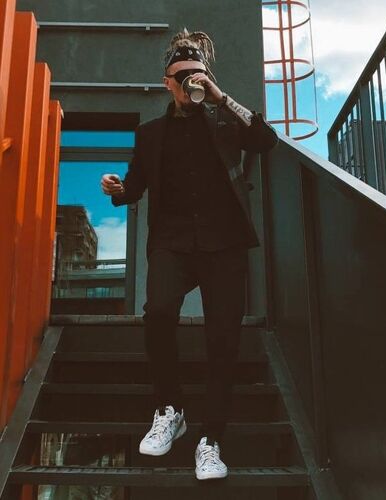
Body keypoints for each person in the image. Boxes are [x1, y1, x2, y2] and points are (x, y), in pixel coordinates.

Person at [101, 28, 278, 480]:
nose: (189, 83)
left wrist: (221, 97)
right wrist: (118, 190)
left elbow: (265, 140)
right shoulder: (150, 134)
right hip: (172, 242)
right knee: (159, 312)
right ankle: (170, 409)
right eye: (181, 77)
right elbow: (135, 185)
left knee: (223, 338)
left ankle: (211, 439)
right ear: (167, 82)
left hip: (225, 244)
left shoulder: (225, 123)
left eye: (197, 75)